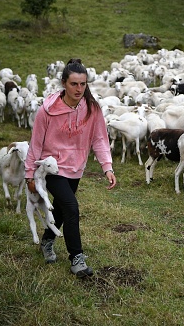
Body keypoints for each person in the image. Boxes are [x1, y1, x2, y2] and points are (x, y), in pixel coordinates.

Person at [24, 58, 117, 278]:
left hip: (76, 167)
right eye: (74, 84)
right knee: (72, 207)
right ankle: (77, 259)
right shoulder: (46, 110)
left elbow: (100, 139)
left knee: (61, 210)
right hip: (51, 168)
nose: (78, 89)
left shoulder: (92, 109)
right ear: (64, 83)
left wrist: (107, 167)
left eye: (82, 84)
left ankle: (47, 240)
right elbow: (36, 144)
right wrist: (29, 175)